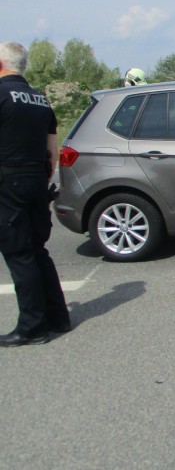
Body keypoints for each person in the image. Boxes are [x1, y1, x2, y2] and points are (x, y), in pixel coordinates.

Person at [0, 42, 70, 346]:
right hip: (37, 181)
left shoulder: (2, 94)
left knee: (20, 254)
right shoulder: (39, 98)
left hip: (9, 181)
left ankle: (33, 326)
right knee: (37, 251)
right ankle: (58, 317)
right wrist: (43, 182)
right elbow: (51, 149)